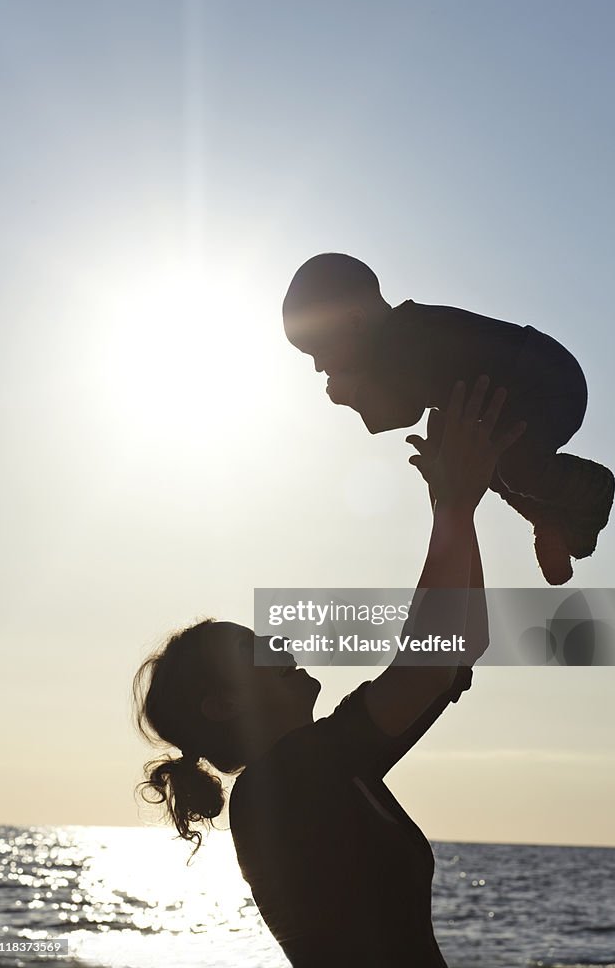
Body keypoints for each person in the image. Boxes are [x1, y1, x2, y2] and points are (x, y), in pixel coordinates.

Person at [133, 377, 525, 968]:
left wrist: (455, 507)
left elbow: (456, 649)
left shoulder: (324, 765)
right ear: (223, 703)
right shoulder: (284, 783)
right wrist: (454, 504)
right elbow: (434, 658)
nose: (281, 644)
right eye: (258, 648)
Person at [283, 252, 615, 586]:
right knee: (459, 448)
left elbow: (403, 410)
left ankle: (590, 495)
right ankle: (546, 515)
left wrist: (353, 395)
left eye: (320, 352)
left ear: (354, 323)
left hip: (547, 387)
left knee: (515, 465)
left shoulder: (400, 344)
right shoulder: (404, 336)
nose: (317, 367)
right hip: (525, 388)